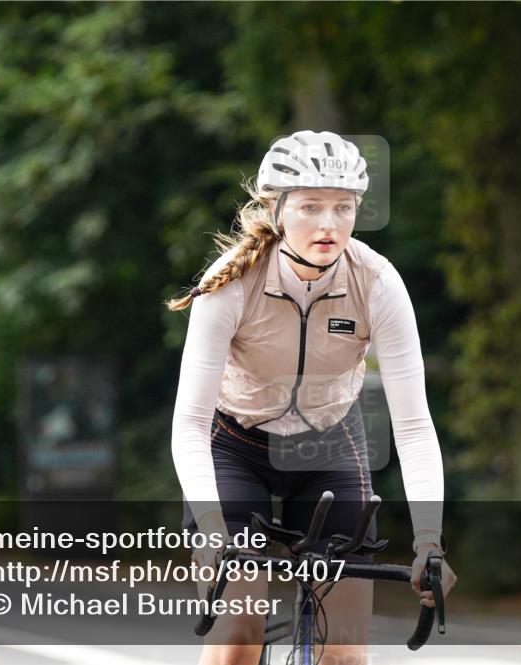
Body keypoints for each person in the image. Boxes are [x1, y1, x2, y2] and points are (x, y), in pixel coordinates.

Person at [167, 130, 456, 665]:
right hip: (234, 447)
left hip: (330, 448)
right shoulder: (233, 283)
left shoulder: (377, 284)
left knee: (346, 652)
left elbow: (413, 427)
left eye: (343, 208)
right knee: (236, 636)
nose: (329, 224)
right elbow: (189, 423)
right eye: (310, 207)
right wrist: (210, 527)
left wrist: (429, 541)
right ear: (277, 210)